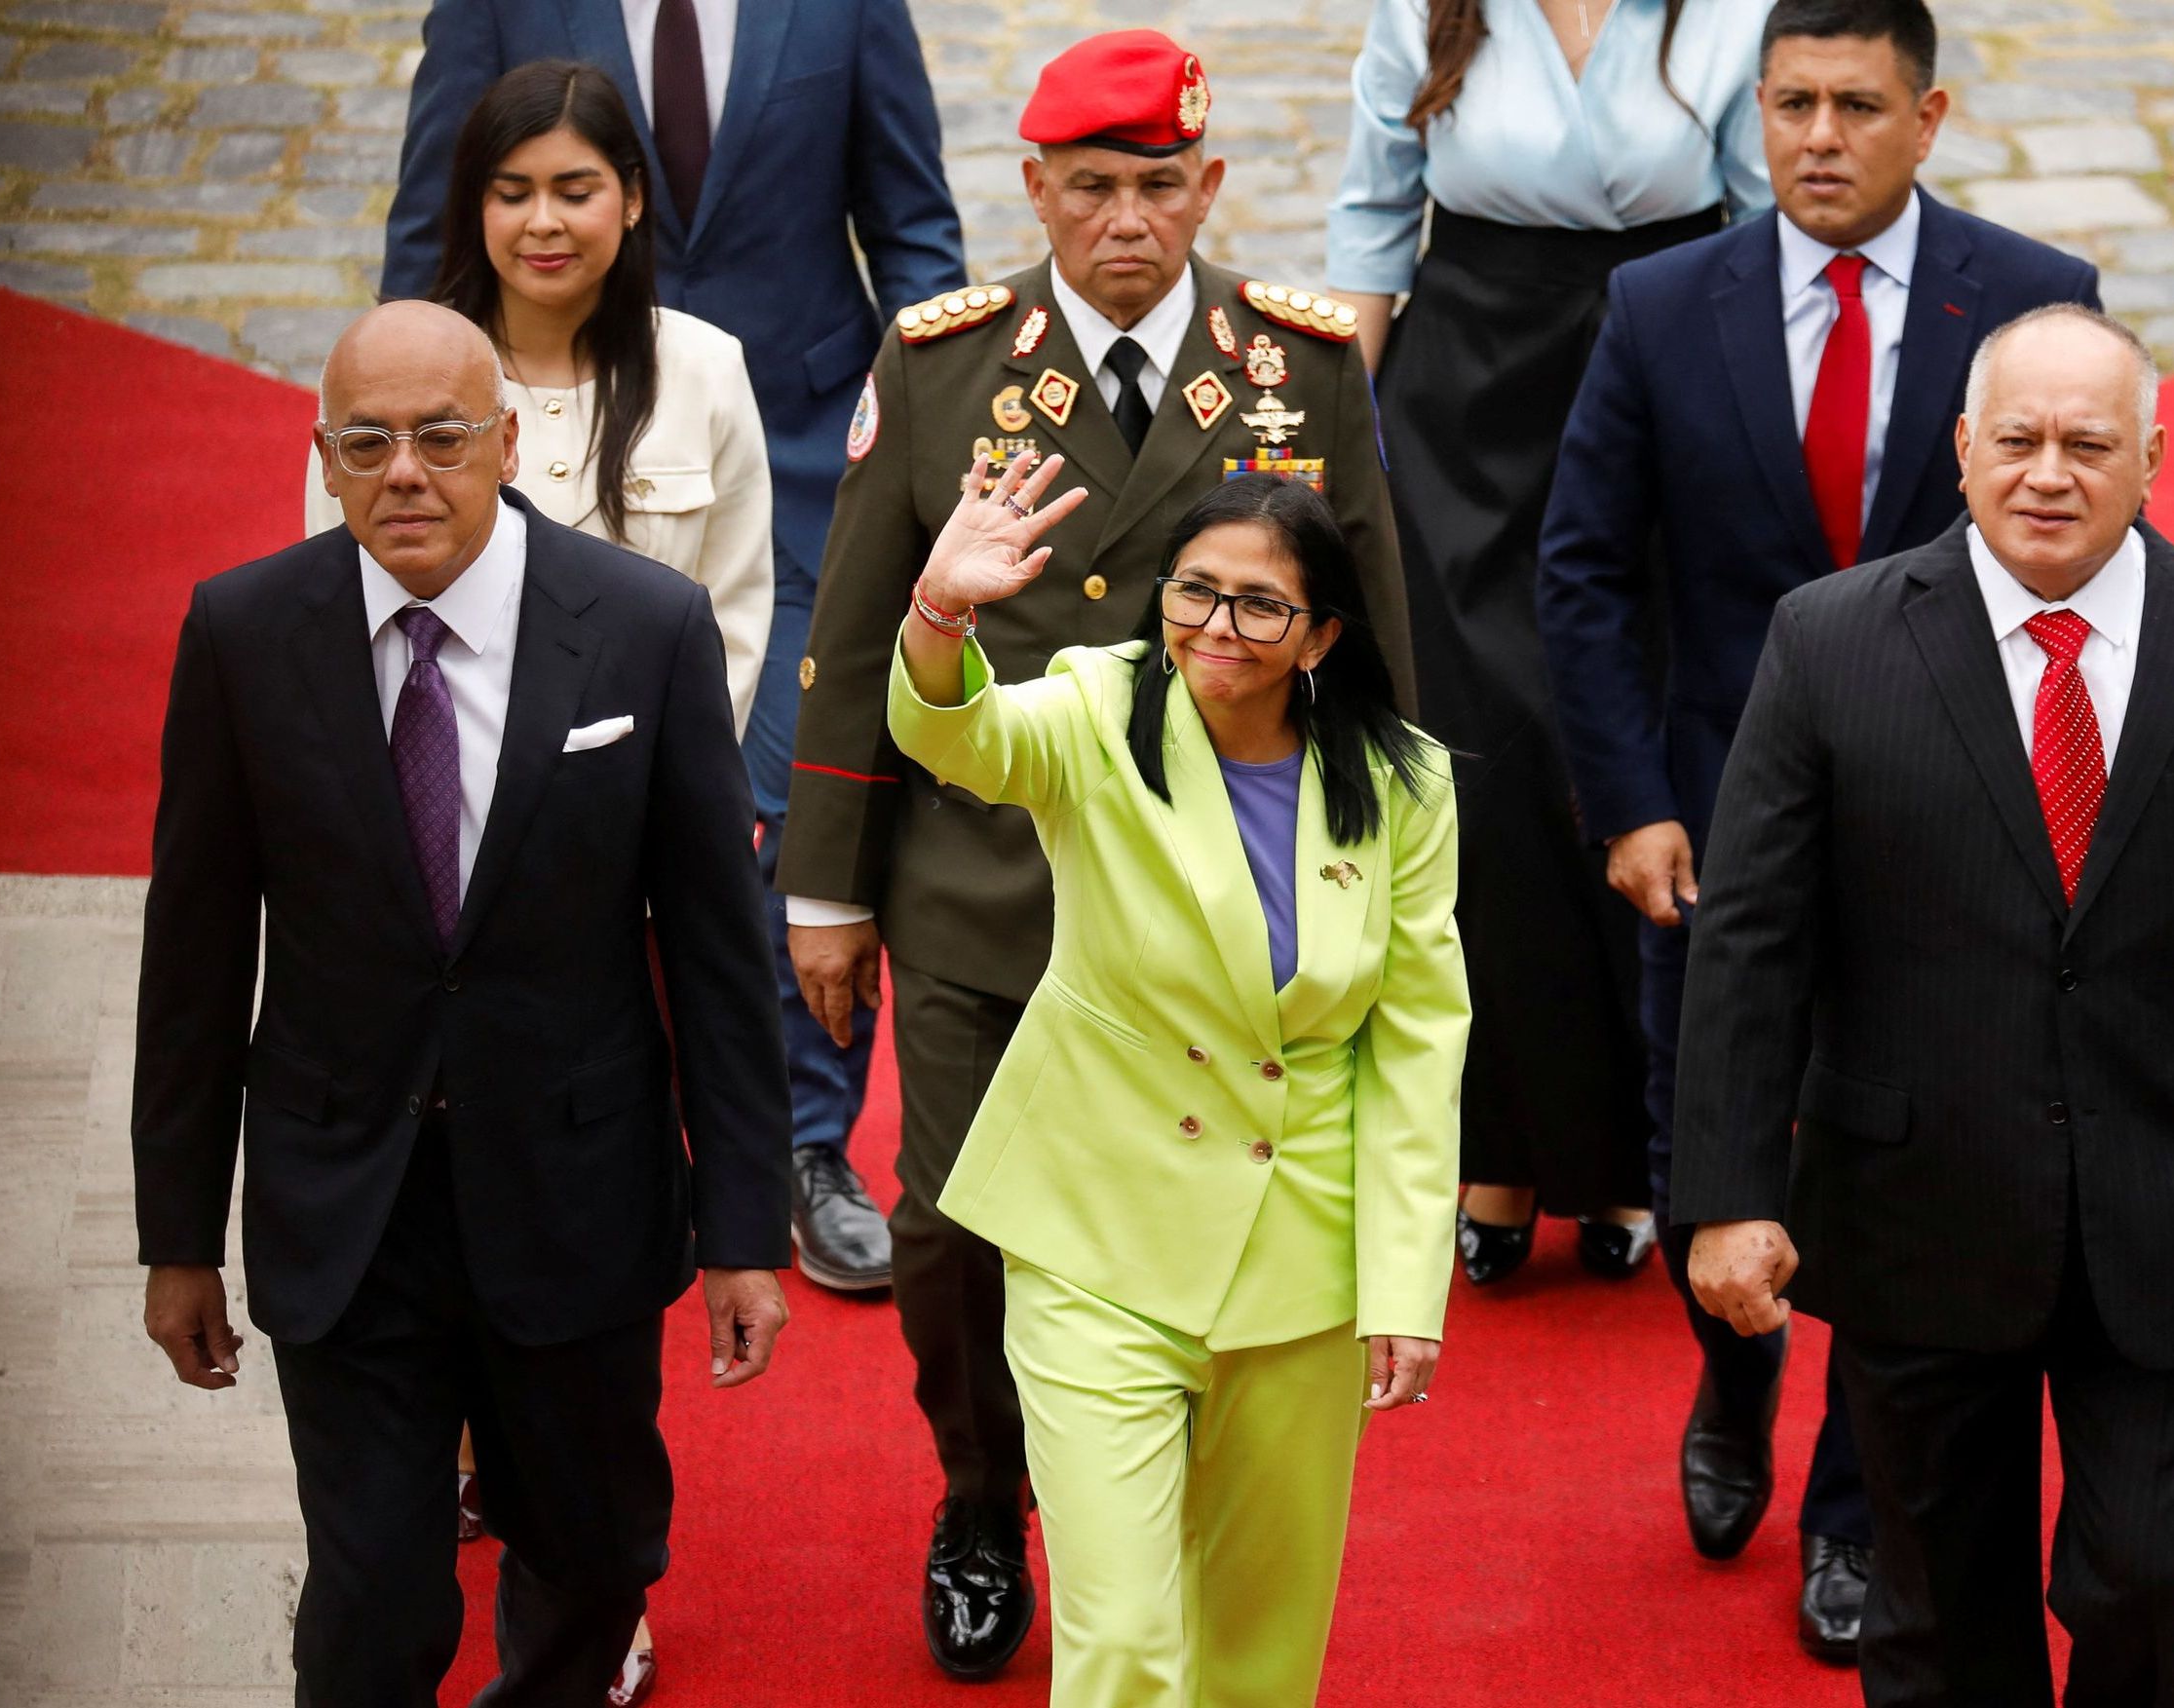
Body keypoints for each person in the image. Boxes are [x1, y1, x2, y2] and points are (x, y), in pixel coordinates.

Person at [777, 29, 1416, 1681]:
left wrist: (1387, 865)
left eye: (1157, 187)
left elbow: (1375, 643)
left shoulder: (1299, 369)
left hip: (1230, 911)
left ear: (1206, 188)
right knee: (943, 1226)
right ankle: (982, 1494)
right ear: (1033, 189)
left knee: (1195, 1207)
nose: (1125, 221)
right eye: (1090, 188)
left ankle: (1150, 1487)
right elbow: (856, 637)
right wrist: (830, 887)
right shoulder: (940, 364)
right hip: (991, 888)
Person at [1670, 301, 2174, 1706]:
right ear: (1959, 448)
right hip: (1918, 1206)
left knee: (2159, 1575)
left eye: (2086, 443)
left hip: (2172, 1204)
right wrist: (1727, 1189)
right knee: (1939, 1607)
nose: (2046, 472)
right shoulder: (1829, 642)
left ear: (2152, 458)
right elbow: (1751, 940)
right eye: (2017, 439)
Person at [1534, 0, 2102, 1661]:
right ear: (1757, 109)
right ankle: (1731, 1384)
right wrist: (1628, 798)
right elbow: (1579, 570)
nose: (1819, 138)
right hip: (1711, 822)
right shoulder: (1655, 304)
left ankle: (1853, 1508)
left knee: (1897, 1169)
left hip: (1950, 830)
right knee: (1700, 1124)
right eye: (1791, 103)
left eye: (1858, 105)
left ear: (1928, 120)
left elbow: (2075, 561)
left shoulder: (2034, 298)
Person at [133, 300, 793, 1706]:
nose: (405, 474)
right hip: (346, 1206)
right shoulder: (245, 634)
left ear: (506, 442)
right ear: (323, 460)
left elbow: (720, 955)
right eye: (365, 444)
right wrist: (176, 1239)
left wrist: (744, 1227)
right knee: (371, 1599)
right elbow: (192, 958)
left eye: (441, 437)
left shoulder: (642, 629)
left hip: (575, 1198)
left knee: (593, 1555)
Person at [389, 0, 974, 1293]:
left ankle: (808, 1145)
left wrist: (934, 431)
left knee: (808, 786)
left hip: (821, 449)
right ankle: (602, 1123)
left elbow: (914, 222)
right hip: (577, 451)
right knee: (565, 784)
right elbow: (429, 228)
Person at [892, 455, 1464, 1706]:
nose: (1217, 625)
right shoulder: (1098, 707)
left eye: (1260, 604)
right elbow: (961, 734)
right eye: (1194, 591)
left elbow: (1417, 1040)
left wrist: (1406, 1279)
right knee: (1129, 1642)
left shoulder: (1407, 780)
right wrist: (942, 612)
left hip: (1300, 1249)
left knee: (1260, 1645)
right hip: (1095, 1233)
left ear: (1321, 631)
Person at [1328, 0, 1768, 1288]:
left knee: (1627, 755)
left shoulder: (1736, 11)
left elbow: (1759, 218)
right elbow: (1369, 220)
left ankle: (1636, 1151)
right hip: (1465, 399)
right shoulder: (1426, 8)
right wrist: (1341, 450)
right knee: (1482, 777)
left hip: (1665, 368)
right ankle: (1496, 1147)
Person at [308, 60, 773, 740]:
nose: (544, 223)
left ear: (633, 197)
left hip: (635, 789)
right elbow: (336, 595)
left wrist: (667, 783)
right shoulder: (386, 368)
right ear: (476, 204)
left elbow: (732, 617)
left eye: (575, 192)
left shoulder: (707, 368)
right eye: (513, 194)